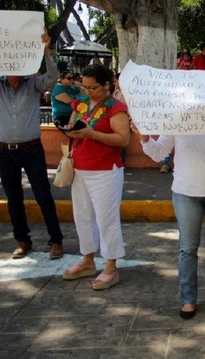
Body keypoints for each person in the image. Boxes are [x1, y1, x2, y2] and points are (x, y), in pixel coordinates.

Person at [132, 113, 205, 319]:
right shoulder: (177, 120)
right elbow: (159, 153)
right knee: (188, 249)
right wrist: (144, 138)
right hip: (185, 192)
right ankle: (188, 299)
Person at [61, 65, 131, 291]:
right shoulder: (80, 103)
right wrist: (70, 130)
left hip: (104, 170)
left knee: (106, 219)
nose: (88, 91)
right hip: (79, 167)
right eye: (85, 86)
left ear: (106, 85)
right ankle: (88, 260)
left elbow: (123, 139)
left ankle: (111, 266)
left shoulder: (115, 108)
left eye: (93, 87)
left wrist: (93, 134)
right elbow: (73, 123)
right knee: (82, 216)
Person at [0, 30, 64, 260]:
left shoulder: (33, 84)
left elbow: (53, 76)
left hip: (32, 149)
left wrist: (46, 50)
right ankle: (22, 240)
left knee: (43, 195)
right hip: (5, 152)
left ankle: (55, 241)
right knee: (13, 198)